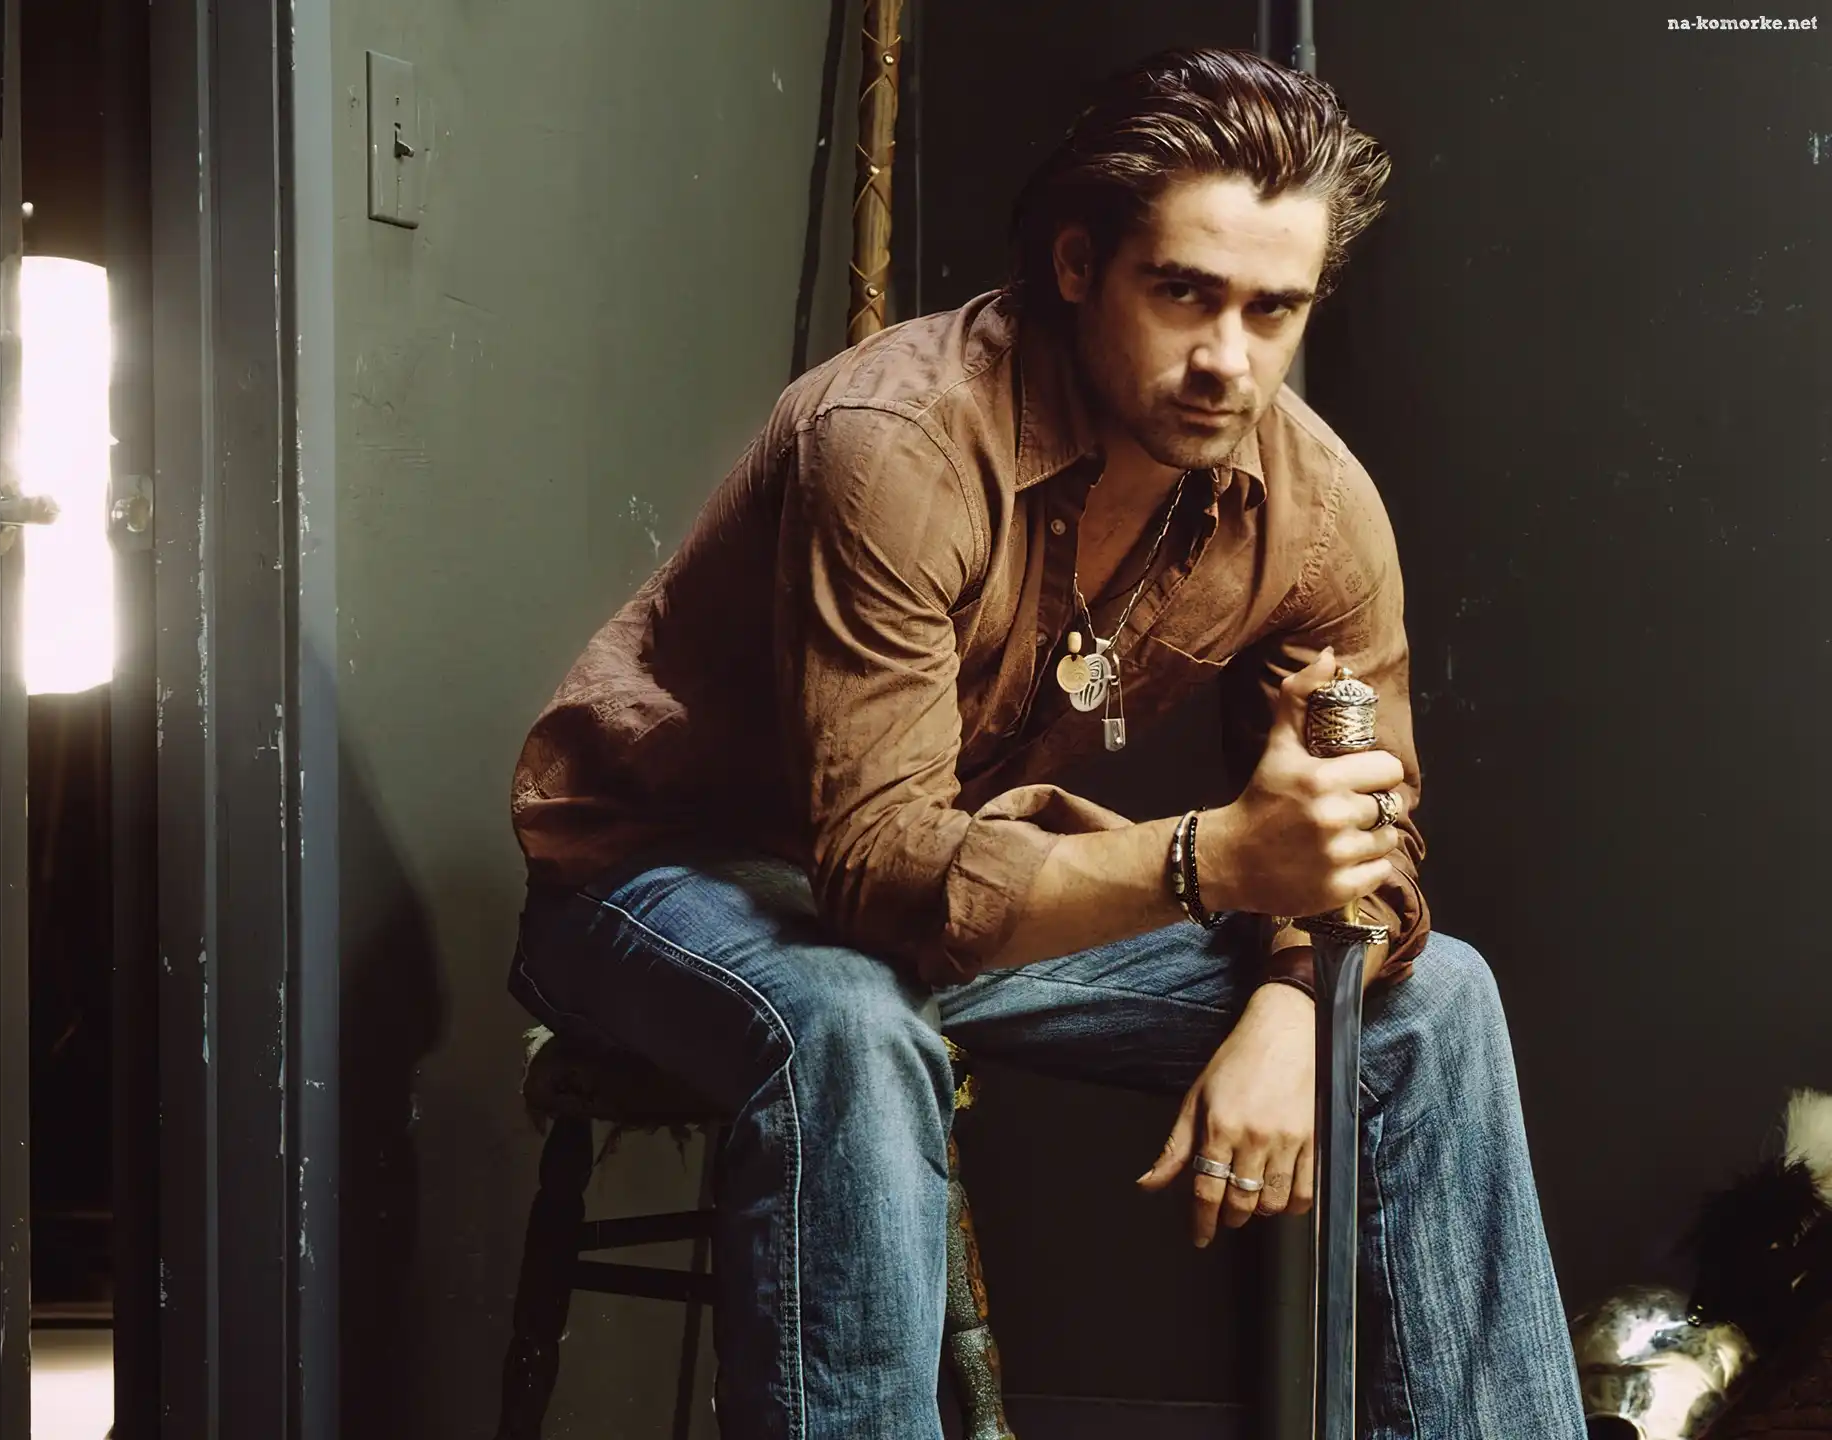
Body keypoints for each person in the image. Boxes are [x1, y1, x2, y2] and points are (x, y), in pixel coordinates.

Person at [508, 46, 1586, 1440]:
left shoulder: (1314, 510)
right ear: (1079, 265)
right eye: (1184, 292)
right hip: (666, 877)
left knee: (1435, 1005)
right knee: (851, 1022)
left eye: (1274, 309)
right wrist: (1213, 862)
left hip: (953, 884)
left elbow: (1365, 842)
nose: (1229, 359)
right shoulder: (897, 442)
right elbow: (877, 876)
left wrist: (1295, 1001)